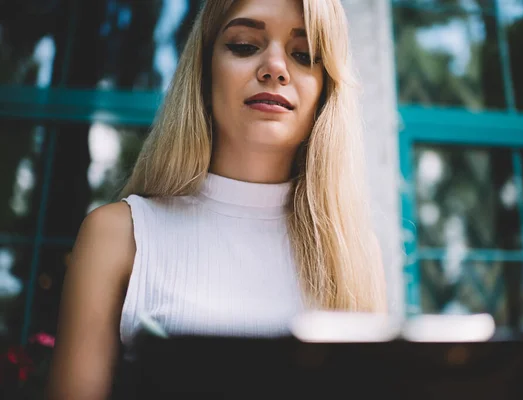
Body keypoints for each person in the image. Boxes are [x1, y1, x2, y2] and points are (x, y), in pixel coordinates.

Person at [46, 0, 387, 398]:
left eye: (303, 54)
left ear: (326, 89)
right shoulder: (119, 236)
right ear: (204, 71)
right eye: (244, 45)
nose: (275, 67)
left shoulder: (354, 255)